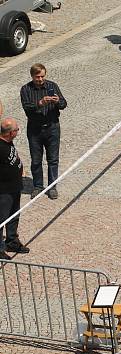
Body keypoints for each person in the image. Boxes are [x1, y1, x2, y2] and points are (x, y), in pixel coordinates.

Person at [19, 63, 67, 200]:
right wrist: (41, 103)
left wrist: (57, 101)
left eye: (42, 76)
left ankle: (52, 187)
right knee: (36, 160)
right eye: (37, 77)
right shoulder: (26, 89)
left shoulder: (52, 86)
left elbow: (64, 104)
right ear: (32, 76)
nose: (40, 79)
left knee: (53, 159)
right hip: (35, 129)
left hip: (52, 127)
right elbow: (27, 107)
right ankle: (38, 186)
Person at [0, 118, 29, 260]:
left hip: (15, 186)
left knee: (14, 216)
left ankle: (12, 241)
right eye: (16, 130)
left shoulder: (8, 142)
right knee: (1, 219)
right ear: (10, 133)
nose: (18, 131)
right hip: (3, 191)